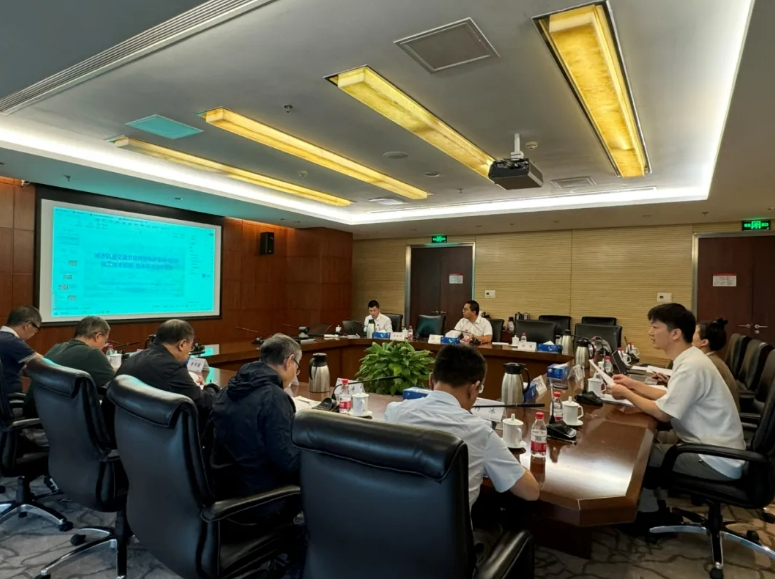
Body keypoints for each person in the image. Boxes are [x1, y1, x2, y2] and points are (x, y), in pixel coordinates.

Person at [608, 303, 745, 529]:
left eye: (655, 327)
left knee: (637, 452)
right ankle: (655, 508)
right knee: (647, 443)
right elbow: (671, 396)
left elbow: (662, 413)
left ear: (675, 333)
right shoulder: (692, 359)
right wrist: (633, 385)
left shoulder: (691, 366)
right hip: (715, 449)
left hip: (715, 459)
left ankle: (647, 516)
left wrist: (625, 393)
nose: (650, 332)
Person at [385, 344, 539, 507]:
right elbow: (531, 492)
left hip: (389, 520)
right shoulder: (480, 432)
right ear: (474, 388)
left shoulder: (394, 412)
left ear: (431, 380)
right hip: (443, 525)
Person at [210, 334, 301, 499]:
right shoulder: (274, 397)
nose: (296, 374)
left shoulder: (228, 388)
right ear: (289, 361)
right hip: (260, 495)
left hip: (222, 487)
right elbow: (288, 461)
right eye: (297, 367)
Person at [116, 319, 218, 425]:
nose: (189, 351)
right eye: (190, 346)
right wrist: (209, 387)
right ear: (182, 344)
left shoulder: (134, 357)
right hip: (151, 429)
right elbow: (205, 404)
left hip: (124, 426)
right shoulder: (171, 368)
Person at [25, 316, 116, 418]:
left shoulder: (57, 347)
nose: (104, 346)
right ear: (97, 336)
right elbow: (116, 387)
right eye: (105, 340)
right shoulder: (92, 353)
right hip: (54, 418)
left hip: (36, 411)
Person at [693, 318, 739, 410]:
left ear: (704, 342)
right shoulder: (711, 359)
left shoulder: (706, 364)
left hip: (715, 415)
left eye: (693, 333)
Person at [0, 306, 42, 395]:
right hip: (9, 396)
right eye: (36, 330)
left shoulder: (3, 337)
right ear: (28, 325)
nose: (34, 334)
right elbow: (43, 363)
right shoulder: (12, 341)